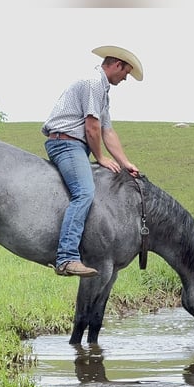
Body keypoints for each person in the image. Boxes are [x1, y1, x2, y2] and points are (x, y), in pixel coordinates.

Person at [42, 45, 143, 277]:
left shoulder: (103, 91)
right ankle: (66, 257)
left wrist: (125, 162)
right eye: (125, 72)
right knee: (85, 192)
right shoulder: (93, 83)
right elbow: (92, 126)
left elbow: (107, 130)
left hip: (76, 145)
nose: (125, 78)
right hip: (66, 143)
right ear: (116, 65)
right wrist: (100, 157)